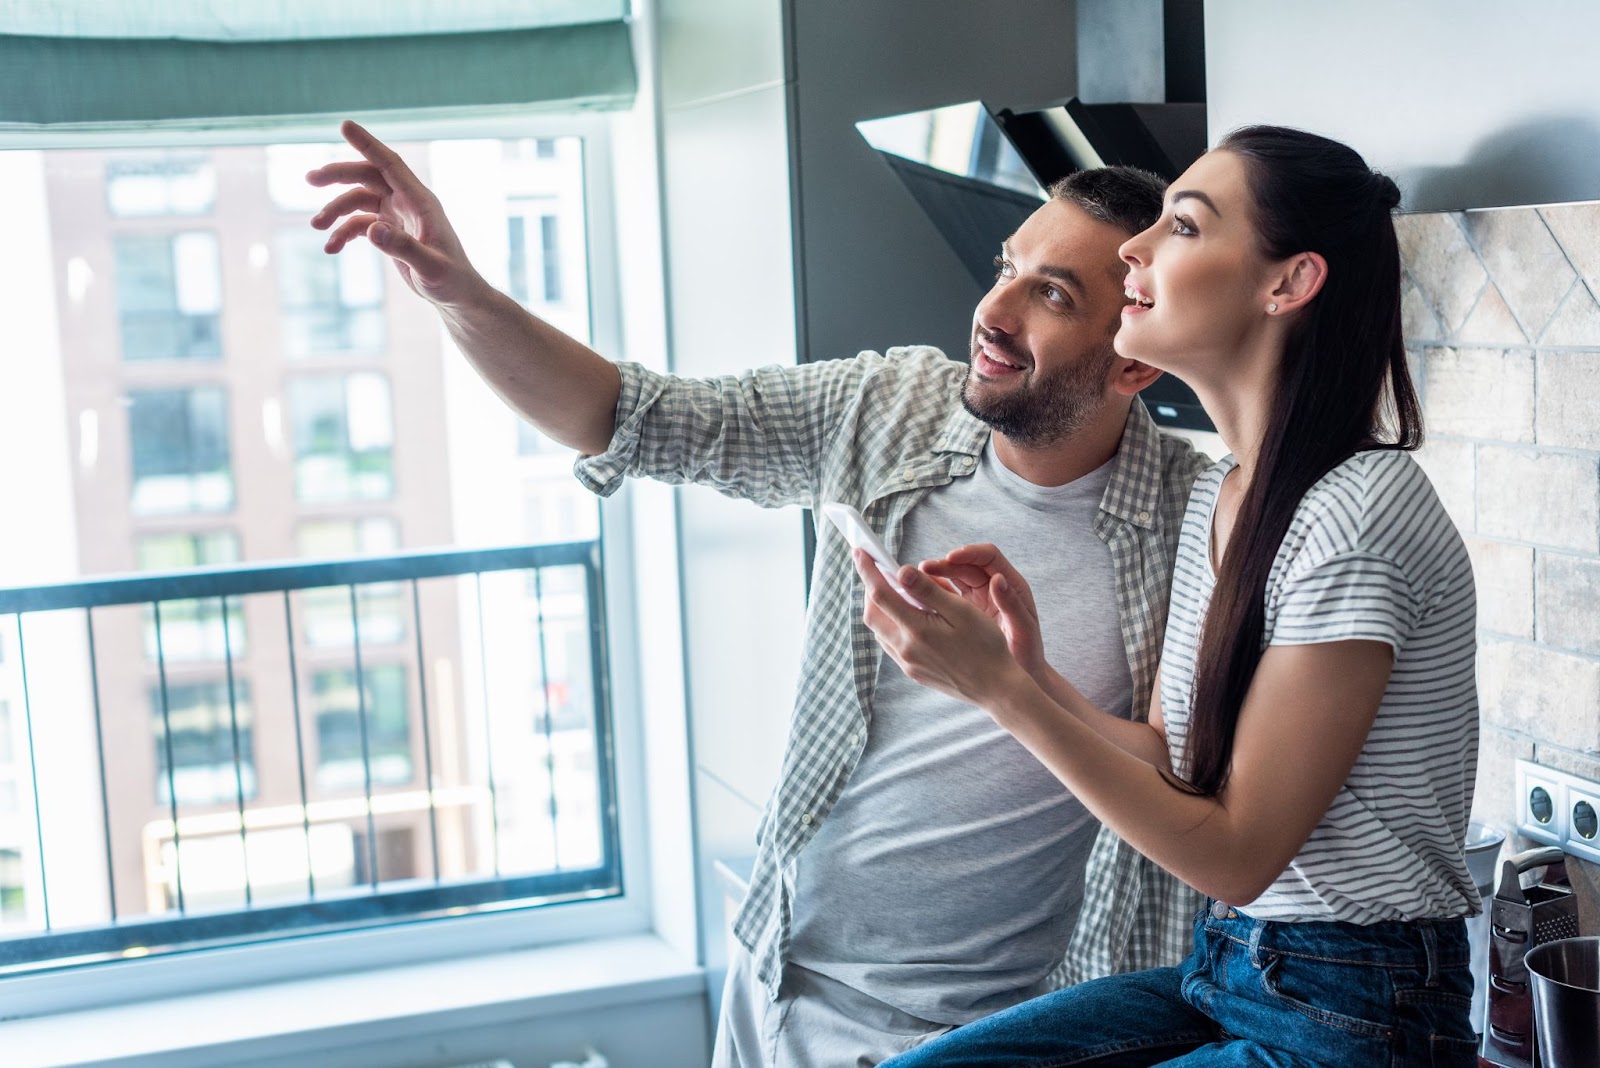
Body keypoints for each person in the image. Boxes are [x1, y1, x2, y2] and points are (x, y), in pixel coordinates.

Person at [307, 121, 1210, 1066]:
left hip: (996, 1034)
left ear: (1135, 360)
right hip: (779, 977)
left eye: (1052, 294)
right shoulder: (891, 406)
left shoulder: (1195, 527)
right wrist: (459, 290)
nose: (993, 308)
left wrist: (1007, 686)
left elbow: (1184, 785)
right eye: (1008, 266)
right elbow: (628, 418)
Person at [866, 126, 1481, 1067]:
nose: (1134, 249)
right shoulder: (1222, 490)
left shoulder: (1361, 509)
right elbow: (1174, 763)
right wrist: (1029, 674)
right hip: (1235, 968)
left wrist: (1006, 693)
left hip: (1363, 1010)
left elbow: (1239, 852)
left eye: (1182, 227)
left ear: (1288, 284)